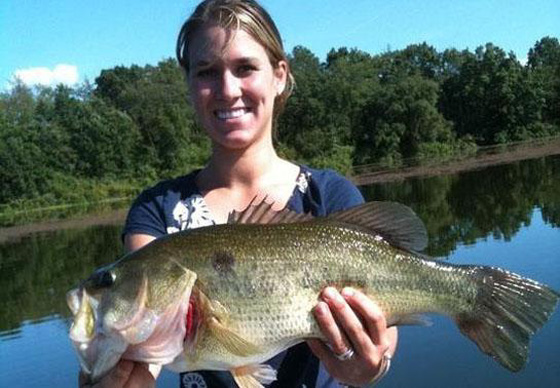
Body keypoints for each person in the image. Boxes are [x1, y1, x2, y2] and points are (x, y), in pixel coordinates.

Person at [83, 0, 397, 387]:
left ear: (279, 75)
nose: (228, 90)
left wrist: (371, 366)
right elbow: (150, 339)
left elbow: (385, 332)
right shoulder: (157, 211)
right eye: (207, 72)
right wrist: (122, 377)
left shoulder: (329, 196)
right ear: (189, 85)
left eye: (245, 67)